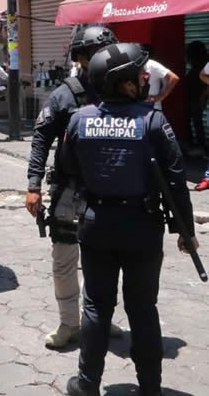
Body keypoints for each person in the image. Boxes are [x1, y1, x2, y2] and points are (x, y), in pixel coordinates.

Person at [61, 42, 197, 396]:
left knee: (95, 307)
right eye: (140, 76)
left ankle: (87, 384)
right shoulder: (152, 121)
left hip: (95, 224)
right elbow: (176, 178)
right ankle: (150, 388)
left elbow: (67, 168)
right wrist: (186, 230)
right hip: (142, 226)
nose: (145, 79)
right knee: (142, 308)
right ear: (123, 84)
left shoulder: (79, 120)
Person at [25, 25, 123, 349]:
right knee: (65, 258)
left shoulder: (121, 89)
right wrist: (33, 184)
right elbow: (40, 138)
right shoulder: (65, 94)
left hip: (111, 192)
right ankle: (70, 323)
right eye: (97, 53)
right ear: (80, 57)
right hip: (69, 191)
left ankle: (101, 319)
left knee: (107, 260)